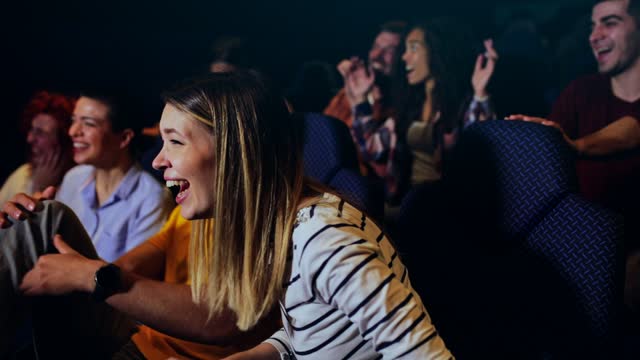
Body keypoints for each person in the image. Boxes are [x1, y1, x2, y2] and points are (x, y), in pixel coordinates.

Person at [3, 71, 453, 359]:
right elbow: (303, 337)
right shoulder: (280, 228)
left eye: (175, 142)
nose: (157, 161)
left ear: (236, 155)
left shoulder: (327, 241)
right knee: (36, 223)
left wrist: (92, 277)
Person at [507, 0, 640, 312]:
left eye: (609, 22)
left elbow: (632, 127)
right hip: (582, 249)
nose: (594, 36)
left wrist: (576, 145)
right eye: (592, 26)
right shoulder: (582, 91)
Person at [350, 19, 498, 202]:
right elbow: (372, 149)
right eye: (405, 49)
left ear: (437, 51)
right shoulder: (411, 105)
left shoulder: (460, 105)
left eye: (413, 48)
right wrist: (360, 101)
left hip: (445, 208)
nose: (404, 56)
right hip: (402, 205)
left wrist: (480, 94)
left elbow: (478, 155)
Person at [54, 89, 174, 262]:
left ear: (124, 138)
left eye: (88, 124)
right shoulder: (73, 178)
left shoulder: (151, 199)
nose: (73, 131)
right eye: (74, 121)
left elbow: (127, 275)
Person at [324, 21, 407, 130]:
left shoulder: (404, 106)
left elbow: (369, 144)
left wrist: (359, 101)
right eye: (375, 47)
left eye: (390, 50)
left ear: (404, 57)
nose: (376, 56)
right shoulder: (346, 96)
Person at [0, 91, 75, 204]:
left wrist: (41, 188)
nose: (29, 139)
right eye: (31, 130)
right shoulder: (22, 174)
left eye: (40, 133)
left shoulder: (79, 181)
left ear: (64, 140)